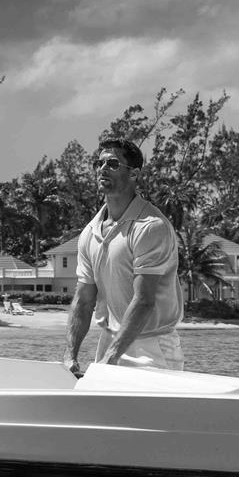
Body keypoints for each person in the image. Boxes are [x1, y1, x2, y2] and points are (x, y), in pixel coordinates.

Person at [66, 138, 184, 373]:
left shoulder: (151, 226)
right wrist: (71, 356)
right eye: (98, 163)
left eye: (112, 163)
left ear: (134, 174)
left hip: (152, 349)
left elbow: (144, 300)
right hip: (109, 342)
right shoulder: (90, 232)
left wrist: (112, 359)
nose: (102, 169)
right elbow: (84, 299)